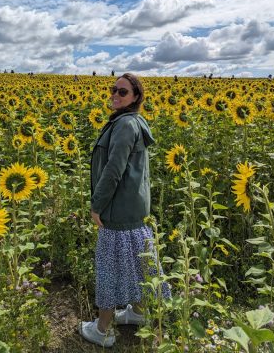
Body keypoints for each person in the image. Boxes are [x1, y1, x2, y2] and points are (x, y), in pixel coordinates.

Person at [78, 72, 170, 348]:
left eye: (123, 92)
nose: (115, 95)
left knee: (110, 268)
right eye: (114, 89)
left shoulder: (125, 126)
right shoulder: (132, 123)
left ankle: (103, 329)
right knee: (140, 264)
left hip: (118, 211)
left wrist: (97, 205)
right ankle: (138, 313)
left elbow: (113, 170)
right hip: (134, 210)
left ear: (136, 97)